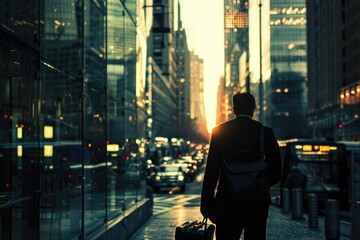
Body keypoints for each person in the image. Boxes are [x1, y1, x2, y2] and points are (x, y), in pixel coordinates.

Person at [200, 92, 282, 240]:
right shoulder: (266, 133)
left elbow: (211, 171)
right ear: (253, 109)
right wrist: (259, 185)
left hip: (227, 203)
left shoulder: (219, 132)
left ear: (234, 109)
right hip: (257, 205)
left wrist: (206, 205)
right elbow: (277, 171)